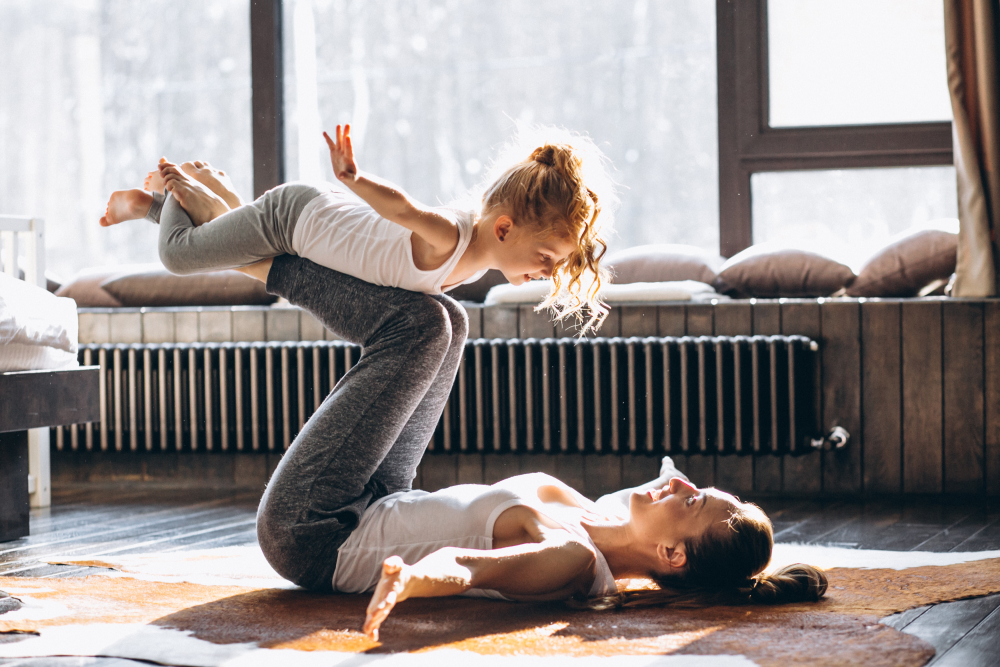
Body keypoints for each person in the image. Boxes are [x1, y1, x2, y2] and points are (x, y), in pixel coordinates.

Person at [108, 152, 825, 645]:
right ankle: (232, 222)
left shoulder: (575, 559)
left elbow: (478, 569)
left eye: (694, 498)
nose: (680, 479)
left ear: (671, 552)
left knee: (419, 323)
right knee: (449, 319)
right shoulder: (577, 508)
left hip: (316, 533)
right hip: (380, 499)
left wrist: (413, 579)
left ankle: (213, 219)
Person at [100, 124, 615, 333]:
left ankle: (184, 204)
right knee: (178, 255)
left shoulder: (472, 262)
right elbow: (404, 209)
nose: (546, 273)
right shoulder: (450, 238)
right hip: (292, 219)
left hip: (309, 225)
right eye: (546, 258)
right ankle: (170, 191)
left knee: (232, 246)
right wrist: (355, 177)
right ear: (504, 229)